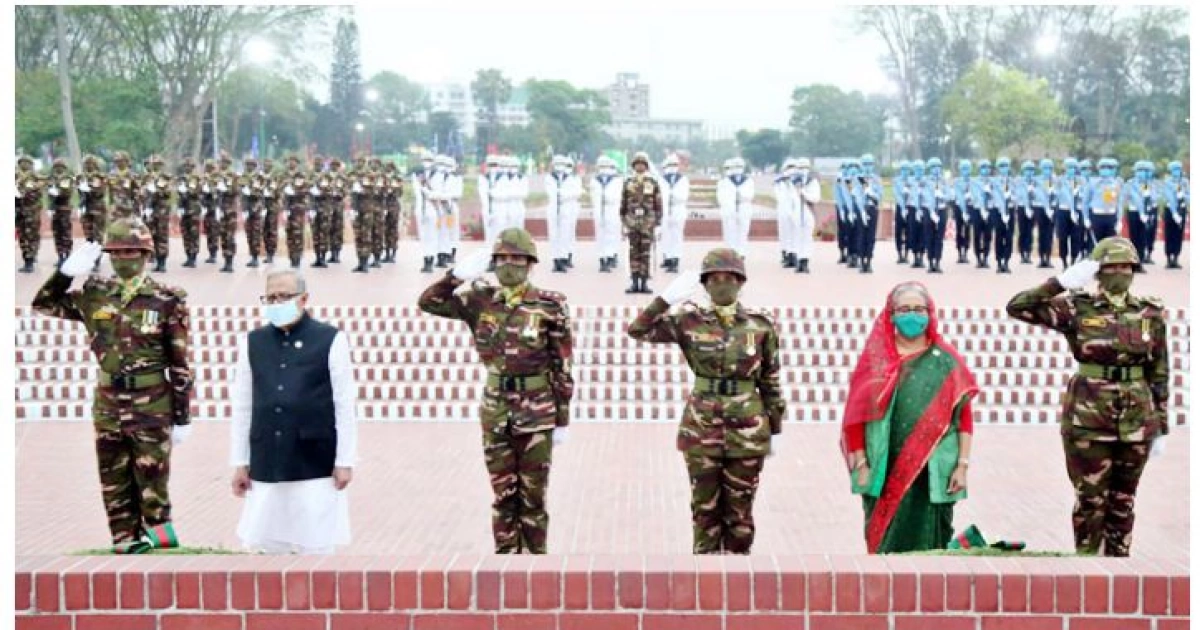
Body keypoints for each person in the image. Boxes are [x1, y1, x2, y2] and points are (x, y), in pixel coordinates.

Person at [32, 218, 194, 553]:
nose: (123, 258)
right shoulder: (94, 295)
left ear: (146, 254)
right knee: (113, 480)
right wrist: (64, 274)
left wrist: (182, 416)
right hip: (108, 404)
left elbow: (179, 363)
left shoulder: (167, 298)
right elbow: (43, 304)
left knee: (153, 484)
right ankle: (124, 544)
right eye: (116, 253)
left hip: (151, 404)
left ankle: (164, 547)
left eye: (131, 251)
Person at [1006, 237, 1169, 557]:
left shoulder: (1149, 311)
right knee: (1091, 499)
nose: (1120, 273)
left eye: (1126, 267)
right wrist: (1060, 283)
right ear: (1098, 271)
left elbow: (1159, 371)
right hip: (1089, 417)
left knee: (1124, 500)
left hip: (1137, 420)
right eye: (1112, 267)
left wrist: (1160, 424)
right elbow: (1018, 307)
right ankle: (1088, 565)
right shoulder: (1077, 307)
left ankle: (1119, 567)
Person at [417, 228, 574, 554]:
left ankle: (534, 564)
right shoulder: (479, 300)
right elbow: (429, 303)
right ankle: (505, 565)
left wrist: (561, 418)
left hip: (537, 410)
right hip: (496, 408)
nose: (509, 265)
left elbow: (562, 365)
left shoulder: (550, 306)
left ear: (530, 263)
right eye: (502, 259)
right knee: (503, 495)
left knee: (532, 497)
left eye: (516, 259)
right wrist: (455, 276)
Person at [627, 247, 785, 554]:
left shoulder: (760, 326)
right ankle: (706, 584)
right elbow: (637, 329)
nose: (722, 284)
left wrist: (775, 428)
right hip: (702, 429)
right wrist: (665, 300)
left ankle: (738, 580)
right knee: (704, 512)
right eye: (714, 279)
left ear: (741, 283)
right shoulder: (689, 321)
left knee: (740, 516)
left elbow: (770, 380)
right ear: (704, 284)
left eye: (729, 278)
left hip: (748, 430)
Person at [842, 281, 978, 554]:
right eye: (904, 309)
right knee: (884, 547)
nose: (913, 315)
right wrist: (860, 463)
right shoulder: (876, 360)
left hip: (932, 470)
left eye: (919, 309)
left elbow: (963, 418)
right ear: (891, 315)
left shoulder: (945, 360)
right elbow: (855, 418)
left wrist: (962, 466)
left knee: (931, 544)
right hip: (883, 466)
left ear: (930, 314)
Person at [229, 268, 358, 554]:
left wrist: (345, 460)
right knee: (264, 545)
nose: (277, 303)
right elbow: (243, 404)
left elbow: (344, 405)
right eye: (270, 298)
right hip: (267, 456)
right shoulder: (253, 342)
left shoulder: (330, 339)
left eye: (284, 296)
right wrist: (239, 460)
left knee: (314, 545)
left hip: (313, 458)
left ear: (303, 299)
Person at [620, 151, 663, 294]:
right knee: (633, 253)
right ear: (634, 166)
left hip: (647, 223)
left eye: (642, 164)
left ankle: (644, 283)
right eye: (637, 164)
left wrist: (658, 222)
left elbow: (658, 204)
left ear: (646, 166)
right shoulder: (628, 182)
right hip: (632, 222)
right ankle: (634, 282)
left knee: (645, 253)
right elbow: (623, 203)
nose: (639, 166)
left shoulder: (652, 182)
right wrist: (623, 222)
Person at [590, 155, 624, 272]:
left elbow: (617, 196)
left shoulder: (617, 180)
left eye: (606, 166)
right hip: (600, 209)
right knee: (600, 234)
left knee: (611, 233)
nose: (604, 168)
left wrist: (606, 197)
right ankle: (602, 258)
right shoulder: (595, 180)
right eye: (602, 166)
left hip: (612, 209)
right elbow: (594, 195)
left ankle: (610, 256)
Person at [659, 153, 691, 273]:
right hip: (666, 209)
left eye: (674, 165)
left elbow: (684, 196)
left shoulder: (683, 179)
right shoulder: (662, 179)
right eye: (670, 165)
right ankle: (667, 256)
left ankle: (675, 258)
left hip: (678, 208)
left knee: (676, 234)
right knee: (666, 234)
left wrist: (672, 195)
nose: (672, 167)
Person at [1161, 160, 1189, 269]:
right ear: (1170, 171)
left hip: (1181, 210)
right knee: (1169, 234)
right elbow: (1169, 197)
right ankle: (1168, 258)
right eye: (1174, 170)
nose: (1176, 171)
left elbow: (1189, 195)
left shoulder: (1185, 182)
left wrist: (1184, 196)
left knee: (1178, 234)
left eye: (1178, 169)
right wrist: (1174, 213)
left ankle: (1176, 258)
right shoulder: (1167, 182)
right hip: (1170, 210)